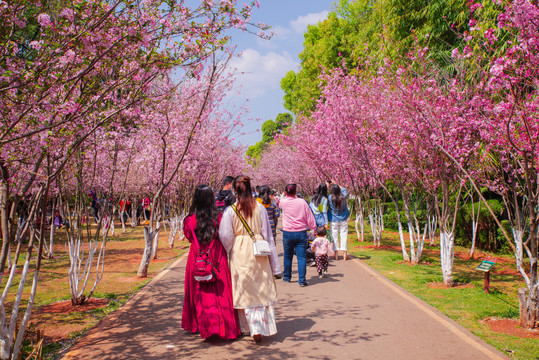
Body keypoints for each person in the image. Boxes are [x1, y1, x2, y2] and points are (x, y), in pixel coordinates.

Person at [219, 175, 282, 343]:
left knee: (244, 287)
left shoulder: (230, 211)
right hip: (258, 248)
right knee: (260, 287)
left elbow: (225, 236)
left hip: (240, 251)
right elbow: (268, 235)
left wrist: (230, 250)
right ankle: (260, 327)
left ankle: (248, 327)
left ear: (235, 190)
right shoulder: (260, 208)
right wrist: (274, 263)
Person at [181, 185, 240, 339]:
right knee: (220, 291)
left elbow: (188, 237)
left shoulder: (189, 220)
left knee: (199, 290)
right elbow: (226, 236)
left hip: (197, 256)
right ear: (211, 199)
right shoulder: (219, 218)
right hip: (217, 256)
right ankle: (223, 325)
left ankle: (202, 325)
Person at [279, 183, 317, 286]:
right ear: (296, 192)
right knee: (302, 257)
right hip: (301, 232)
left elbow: (282, 199)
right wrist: (313, 227)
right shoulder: (302, 202)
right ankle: (302, 280)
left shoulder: (283, 202)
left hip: (287, 233)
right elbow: (309, 215)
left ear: (285, 192)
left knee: (287, 256)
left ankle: (287, 277)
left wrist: (286, 193)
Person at [327, 182, 350, 260]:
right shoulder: (343, 196)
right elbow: (344, 189)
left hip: (334, 220)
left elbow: (324, 192)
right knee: (344, 235)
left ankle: (336, 253)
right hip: (343, 219)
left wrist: (328, 184)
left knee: (334, 236)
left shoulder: (330, 197)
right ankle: (344, 253)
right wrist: (335, 183)